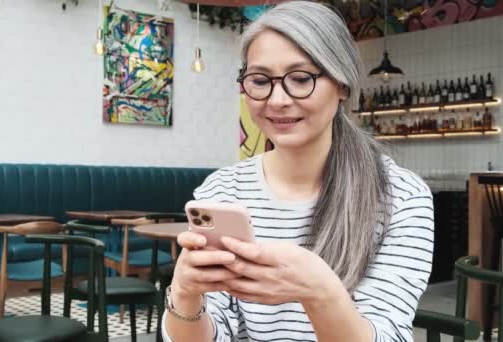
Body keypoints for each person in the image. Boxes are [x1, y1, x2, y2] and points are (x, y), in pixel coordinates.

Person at [163, 1, 433, 341]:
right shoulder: (222, 191)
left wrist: (318, 289)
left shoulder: (402, 198)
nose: (277, 100)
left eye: (301, 78)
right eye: (260, 80)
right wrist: (185, 295)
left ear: (342, 85)